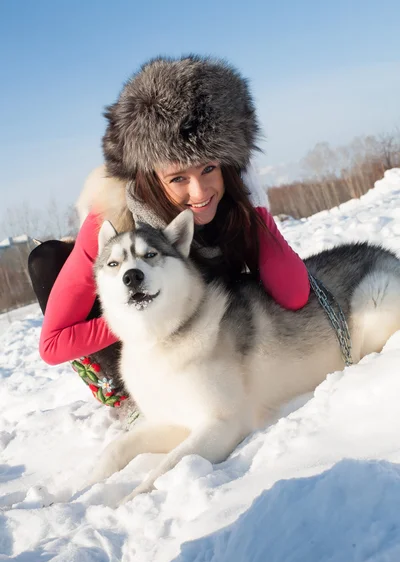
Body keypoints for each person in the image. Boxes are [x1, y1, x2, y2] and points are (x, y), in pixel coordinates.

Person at [33, 55, 310, 408]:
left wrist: (255, 207)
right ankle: (120, 392)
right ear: (151, 178)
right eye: (178, 178)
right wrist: (147, 311)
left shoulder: (234, 208)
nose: (199, 192)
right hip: (133, 345)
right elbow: (53, 345)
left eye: (209, 168)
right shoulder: (113, 220)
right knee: (48, 259)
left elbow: (295, 294)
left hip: (205, 341)